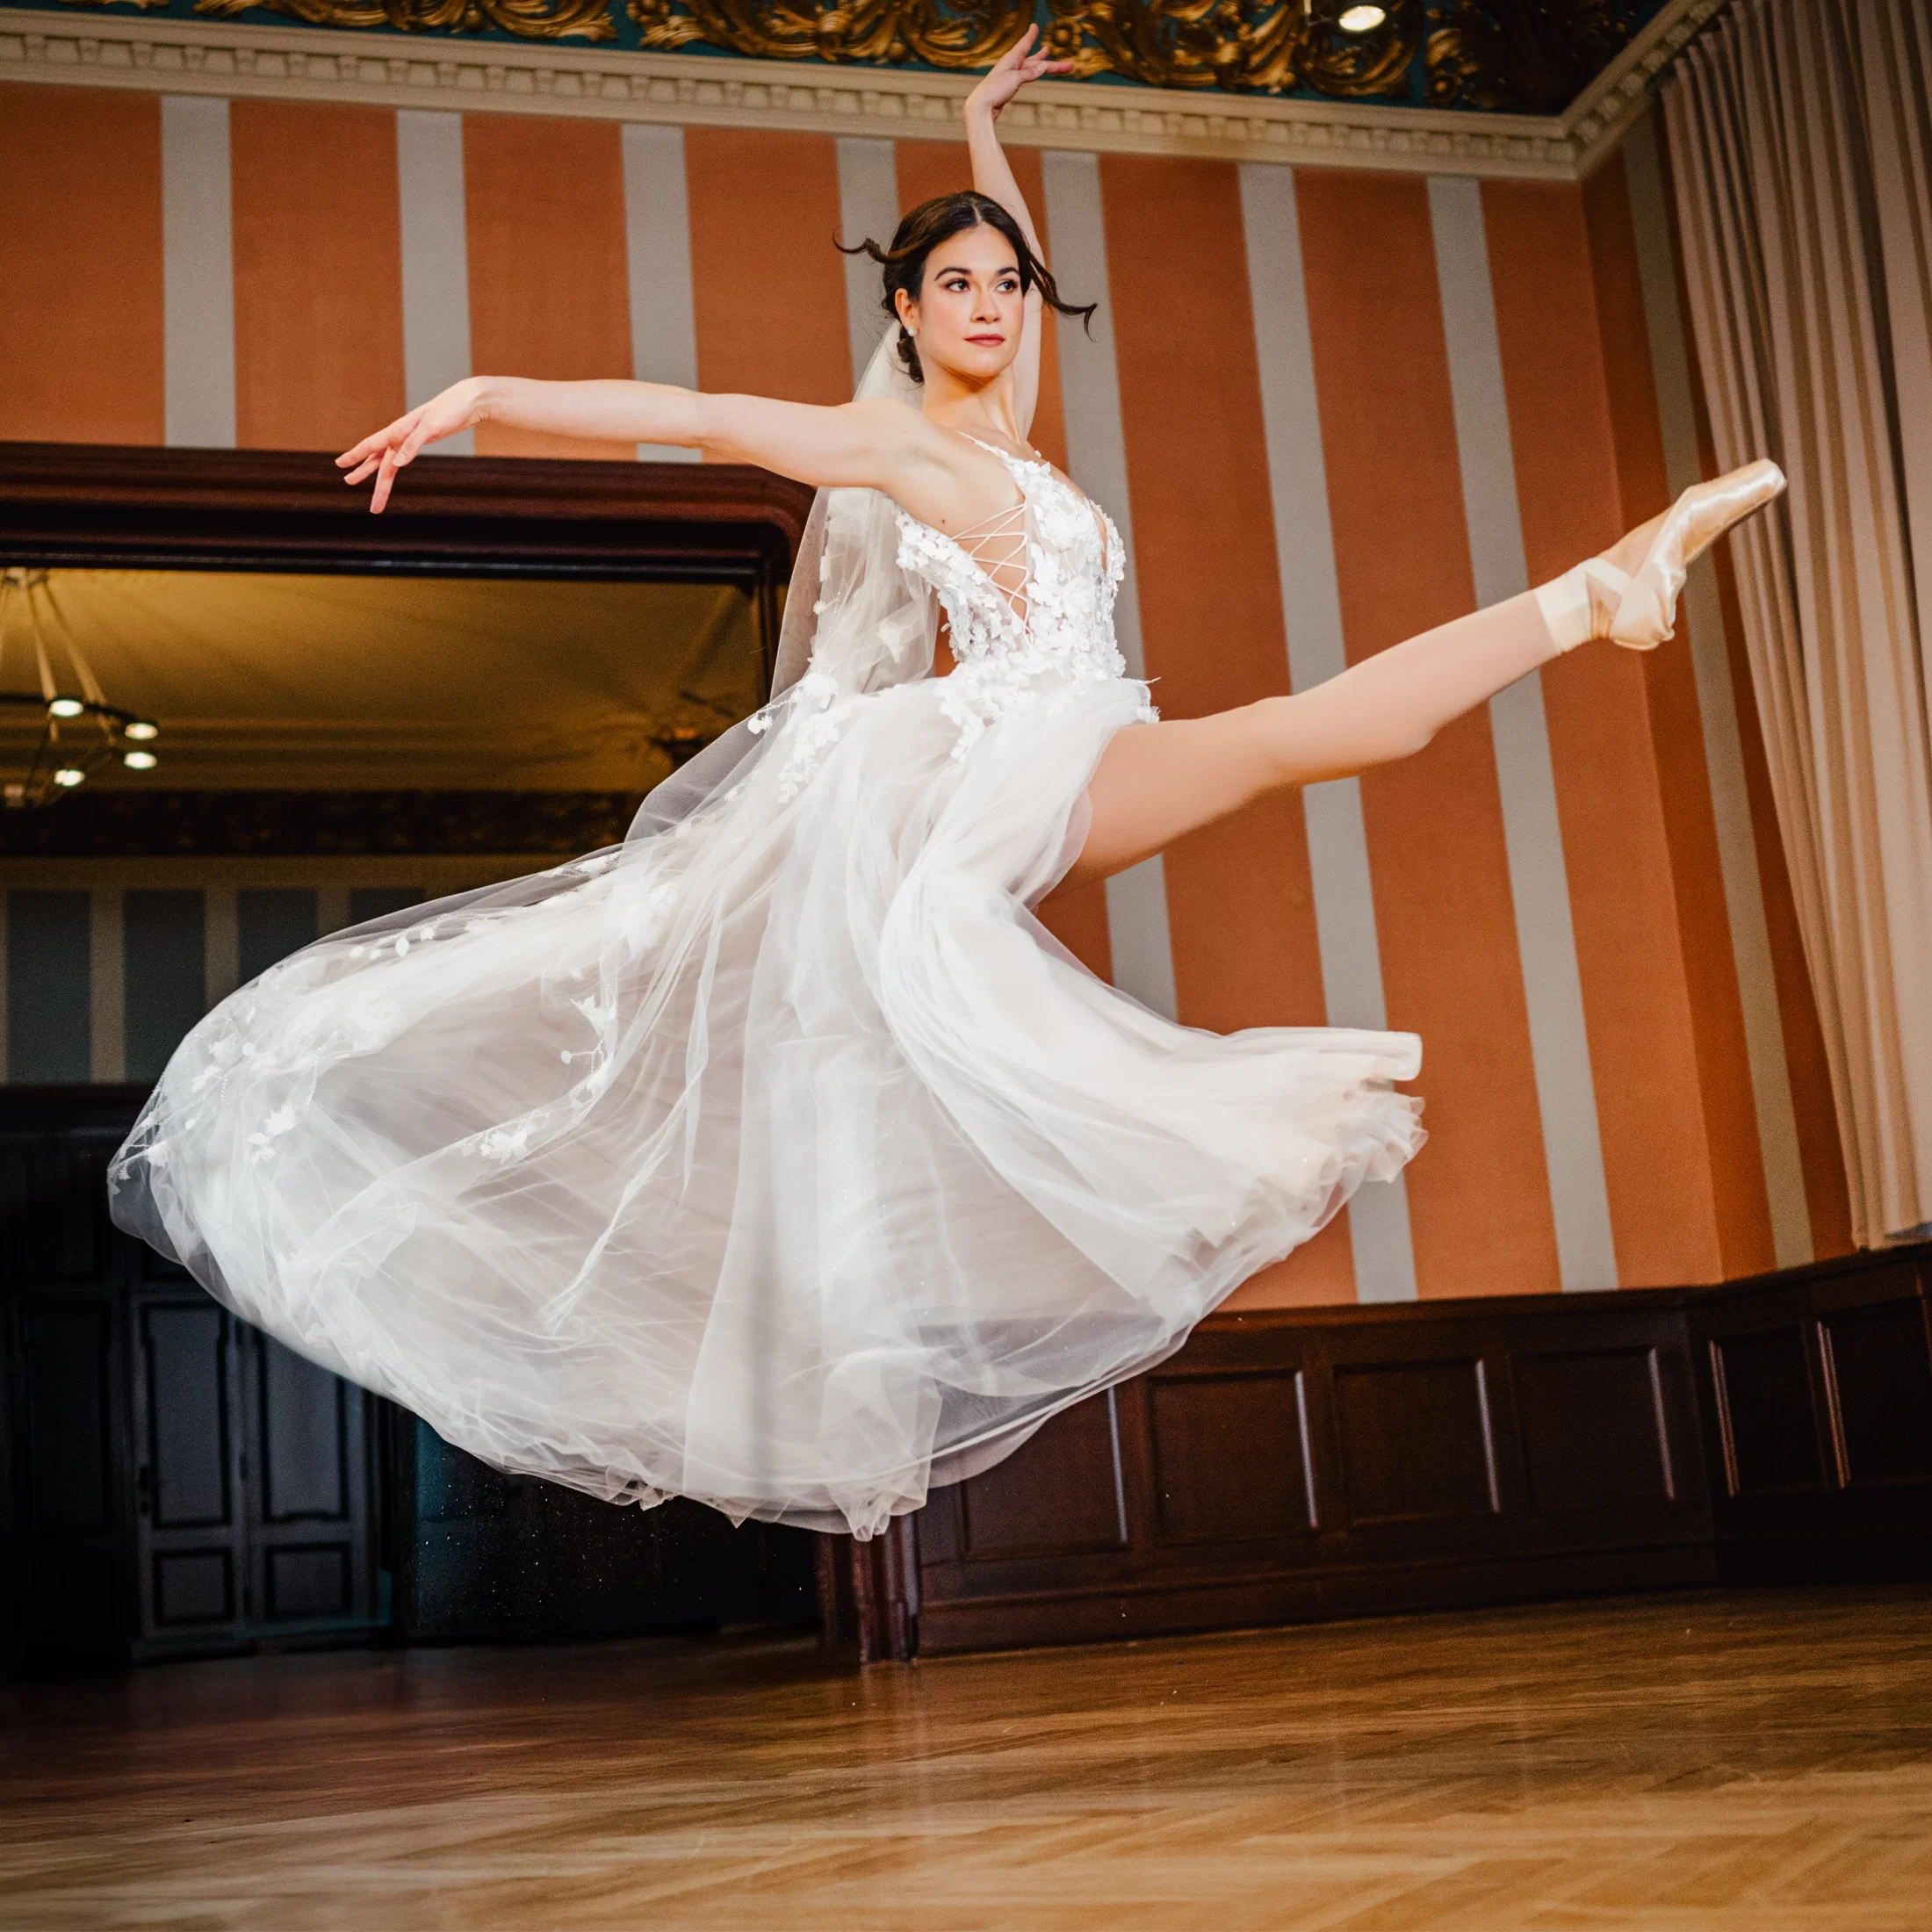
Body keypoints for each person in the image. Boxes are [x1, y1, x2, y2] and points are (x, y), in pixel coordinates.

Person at [108, 33, 1785, 1539]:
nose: (991, 306)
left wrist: (979, 123)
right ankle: (1590, 600)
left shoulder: (1018, 432)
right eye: (957, 289)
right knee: (1270, 748)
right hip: (988, 758)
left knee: (1316, 730)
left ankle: (1595, 597)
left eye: (1004, 286)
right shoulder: (903, 445)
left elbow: (1029, 264)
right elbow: (696, 417)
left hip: (1083, 734)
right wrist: (490, 396)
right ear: (904, 315)